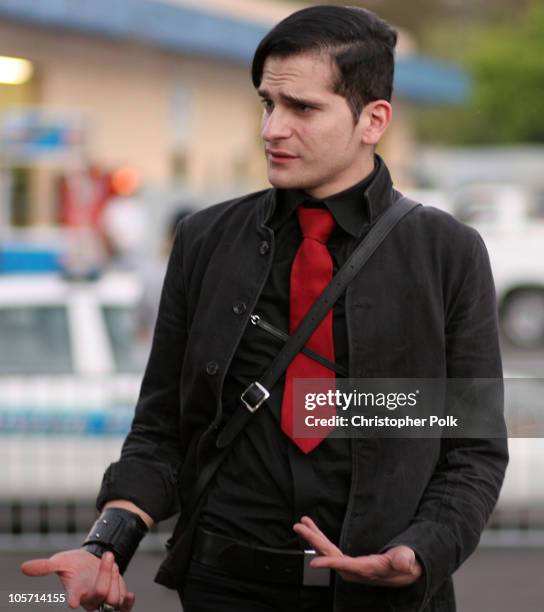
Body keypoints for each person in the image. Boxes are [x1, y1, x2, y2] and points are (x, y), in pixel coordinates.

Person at [21, 5, 508, 612]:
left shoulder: (447, 253)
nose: (272, 129)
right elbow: (162, 429)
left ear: (373, 119)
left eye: (302, 108)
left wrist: (421, 551)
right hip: (224, 587)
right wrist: (104, 544)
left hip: (386, 597)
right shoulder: (205, 240)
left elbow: (472, 450)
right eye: (266, 104)